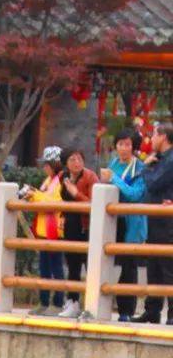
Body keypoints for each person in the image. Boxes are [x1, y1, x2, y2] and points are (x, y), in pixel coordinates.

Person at [100, 128, 148, 322]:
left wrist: (113, 179)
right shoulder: (113, 163)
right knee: (107, 261)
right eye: (120, 144)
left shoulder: (140, 168)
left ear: (134, 146)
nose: (123, 148)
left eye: (127, 144)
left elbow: (135, 194)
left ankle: (126, 310)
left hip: (131, 223)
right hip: (113, 221)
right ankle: (104, 304)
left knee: (129, 267)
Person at [57, 147, 99, 319]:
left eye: (79, 159)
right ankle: (72, 302)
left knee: (90, 266)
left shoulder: (90, 177)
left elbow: (95, 202)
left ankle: (92, 305)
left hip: (87, 226)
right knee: (72, 265)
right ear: (65, 163)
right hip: (70, 225)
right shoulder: (62, 177)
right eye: (72, 160)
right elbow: (62, 200)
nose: (77, 163)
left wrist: (76, 193)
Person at [23, 146, 65, 312]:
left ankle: (58, 303)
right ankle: (44, 302)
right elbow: (43, 199)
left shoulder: (62, 179)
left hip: (55, 230)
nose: (44, 167)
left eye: (47, 164)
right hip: (43, 230)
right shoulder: (48, 180)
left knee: (56, 267)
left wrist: (34, 195)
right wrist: (33, 196)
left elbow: (53, 203)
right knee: (44, 268)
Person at [141, 120, 173, 324]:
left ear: (163, 136)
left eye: (153, 135)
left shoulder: (170, 160)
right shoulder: (161, 159)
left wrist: (145, 168)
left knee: (168, 266)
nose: (151, 139)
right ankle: (152, 310)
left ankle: (171, 313)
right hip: (156, 218)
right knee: (154, 265)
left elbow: (153, 183)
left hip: (167, 221)